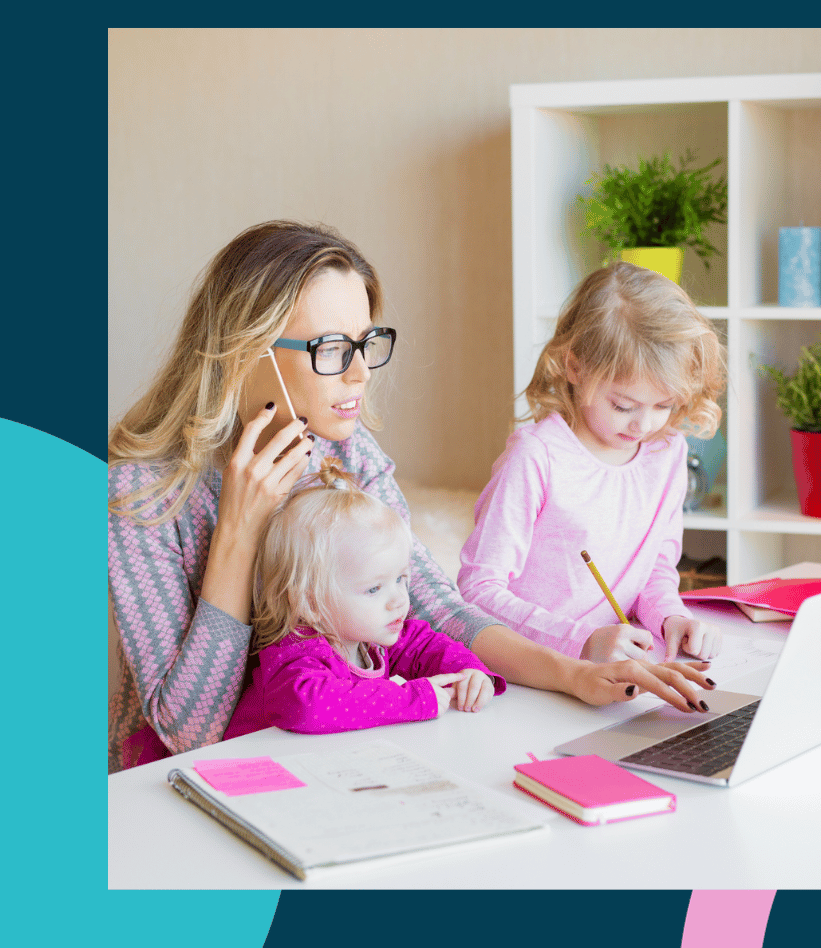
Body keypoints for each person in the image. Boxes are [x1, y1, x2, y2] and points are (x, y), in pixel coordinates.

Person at [108, 221, 712, 772]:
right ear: (245, 352)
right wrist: (239, 532)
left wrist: (575, 673)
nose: (360, 375)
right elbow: (191, 730)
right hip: (187, 785)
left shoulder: (344, 451)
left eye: (365, 344)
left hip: (331, 752)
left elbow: (439, 607)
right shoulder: (142, 489)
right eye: (331, 351)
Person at [458, 262, 725, 669]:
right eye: (623, 405)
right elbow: (478, 591)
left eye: (664, 405)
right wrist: (581, 641)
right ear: (575, 366)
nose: (644, 424)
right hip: (536, 670)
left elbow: (655, 571)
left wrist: (673, 618)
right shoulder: (536, 458)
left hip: (613, 668)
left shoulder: (666, 451)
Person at [224, 460, 502, 739]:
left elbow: (428, 647)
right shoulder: (294, 651)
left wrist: (470, 674)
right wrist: (412, 699)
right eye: (373, 589)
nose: (398, 600)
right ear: (310, 603)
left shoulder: (370, 634)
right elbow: (309, 707)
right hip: (254, 772)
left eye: (400, 579)